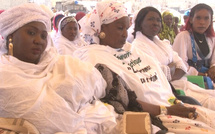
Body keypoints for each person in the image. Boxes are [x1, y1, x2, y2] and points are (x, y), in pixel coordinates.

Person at [74, 1, 215, 133]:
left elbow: (161, 72)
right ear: (101, 28)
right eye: (120, 28)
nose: (125, 34)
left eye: (126, 28)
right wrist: (167, 110)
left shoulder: (129, 48)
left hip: (171, 103)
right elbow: (122, 101)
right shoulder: (93, 57)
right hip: (155, 115)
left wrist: (174, 103)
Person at [0, 3, 117, 134]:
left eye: (44, 36)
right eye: (31, 33)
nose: (39, 40)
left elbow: (97, 85)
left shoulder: (60, 63)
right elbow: (48, 118)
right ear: (11, 36)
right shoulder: (5, 76)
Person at [131, 6, 215, 111]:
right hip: (170, 90)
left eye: (158, 20)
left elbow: (181, 65)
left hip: (182, 82)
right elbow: (156, 74)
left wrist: (170, 69)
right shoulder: (138, 47)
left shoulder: (162, 43)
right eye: (150, 19)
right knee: (210, 103)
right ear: (140, 23)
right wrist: (172, 68)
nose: (156, 23)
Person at [173, 3, 215, 83]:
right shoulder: (183, 36)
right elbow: (179, 64)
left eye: (206, 18)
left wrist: (213, 67)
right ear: (191, 19)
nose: (202, 22)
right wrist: (198, 74)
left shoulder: (212, 38)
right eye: (198, 18)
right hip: (188, 79)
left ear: (210, 21)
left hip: (208, 78)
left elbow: (214, 61)